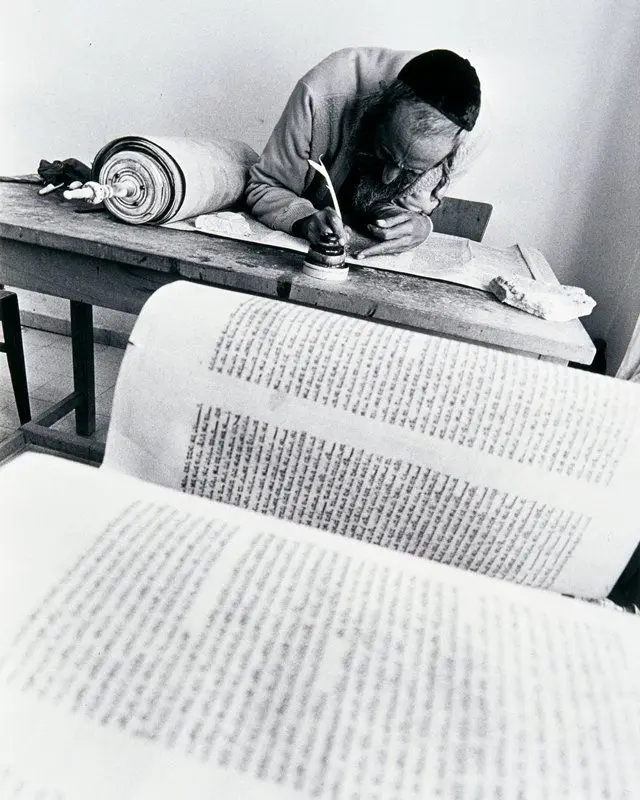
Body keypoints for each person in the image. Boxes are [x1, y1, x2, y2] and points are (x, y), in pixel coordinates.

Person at [245, 47, 482, 259]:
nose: (388, 177)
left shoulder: (469, 140)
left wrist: (418, 226)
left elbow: (400, 206)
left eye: (413, 171)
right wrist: (305, 219)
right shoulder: (321, 91)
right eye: (385, 152)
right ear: (378, 104)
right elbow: (265, 186)